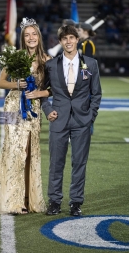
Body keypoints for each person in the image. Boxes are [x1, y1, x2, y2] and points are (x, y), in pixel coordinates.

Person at [0, 17, 51, 215]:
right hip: (14, 106)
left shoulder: (47, 60)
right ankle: (13, 202)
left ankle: (28, 199)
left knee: (30, 151)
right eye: (27, 35)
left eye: (34, 34)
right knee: (15, 151)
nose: (31, 38)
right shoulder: (15, 57)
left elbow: (53, 89)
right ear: (23, 38)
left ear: (39, 37)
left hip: (33, 109)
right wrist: (18, 85)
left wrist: (39, 93)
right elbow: (1, 83)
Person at [41, 25, 102, 216]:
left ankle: (76, 202)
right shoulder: (50, 65)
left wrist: (90, 116)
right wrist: (47, 109)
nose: (68, 41)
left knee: (79, 163)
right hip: (58, 120)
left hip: (82, 122)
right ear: (60, 42)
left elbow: (97, 94)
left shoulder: (91, 64)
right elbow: (43, 93)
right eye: (64, 38)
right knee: (56, 163)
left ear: (77, 40)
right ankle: (54, 202)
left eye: (71, 38)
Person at [77, 22, 96, 135]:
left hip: (85, 78)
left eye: (79, 30)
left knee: (86, 105)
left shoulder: (88, 43)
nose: (78, 31)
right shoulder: (81, 43)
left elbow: (87, 62)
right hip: (80, 76)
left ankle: (88, 130)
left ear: (85, 31)